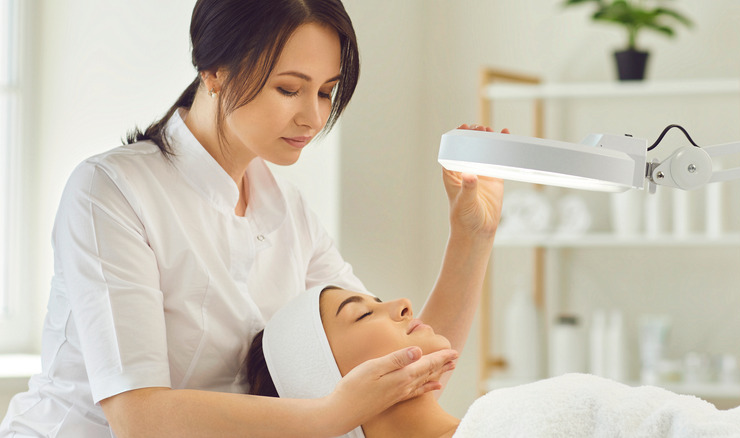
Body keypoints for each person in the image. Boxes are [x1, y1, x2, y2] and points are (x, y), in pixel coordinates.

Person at [0, 1, 506, 437]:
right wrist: (330, 415)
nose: (312, 117)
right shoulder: (112, 191)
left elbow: (404, 361)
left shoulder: (288, 212)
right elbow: (137, 417)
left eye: (326, 91)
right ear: (215, 71)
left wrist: (471, 236)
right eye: (289, 89)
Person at [249, 285, 740, 438]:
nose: (402, 304)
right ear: (329, 382)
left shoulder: (512, 417)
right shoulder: (517, 418)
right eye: (361, 314)